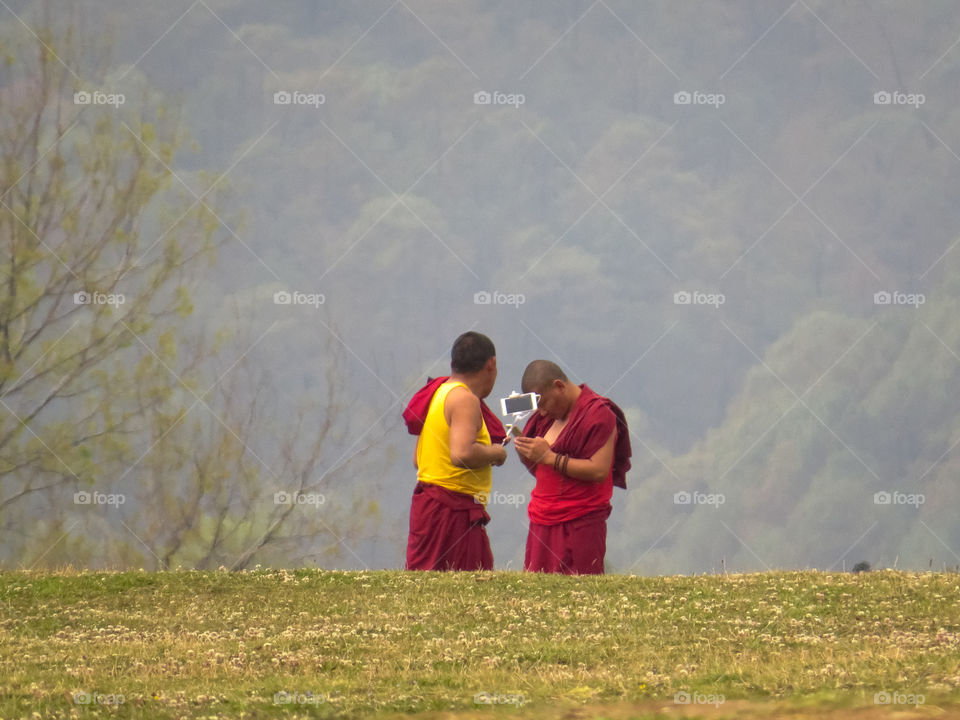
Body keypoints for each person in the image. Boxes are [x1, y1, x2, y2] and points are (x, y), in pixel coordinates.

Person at [513, 360, 631, 574]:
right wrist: (528, 455)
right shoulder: (546, 419)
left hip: (580, 521)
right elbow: (543, 472)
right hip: (541, 518)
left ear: (559, 386)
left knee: (579, 595)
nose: (542, 413)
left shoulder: (599, 413)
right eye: (537, 407)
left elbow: (599, 471)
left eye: (544, 403)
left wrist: (549, 457)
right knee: (536, 593)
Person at [403, 332, 507, 570]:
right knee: (462, 584)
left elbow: (418, 459)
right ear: (491, 365)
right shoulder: (464, 399)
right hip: (450, 510)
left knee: (432, 582)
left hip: (432, 505)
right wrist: (496, 453)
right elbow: (462, 454)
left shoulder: (439, 392)